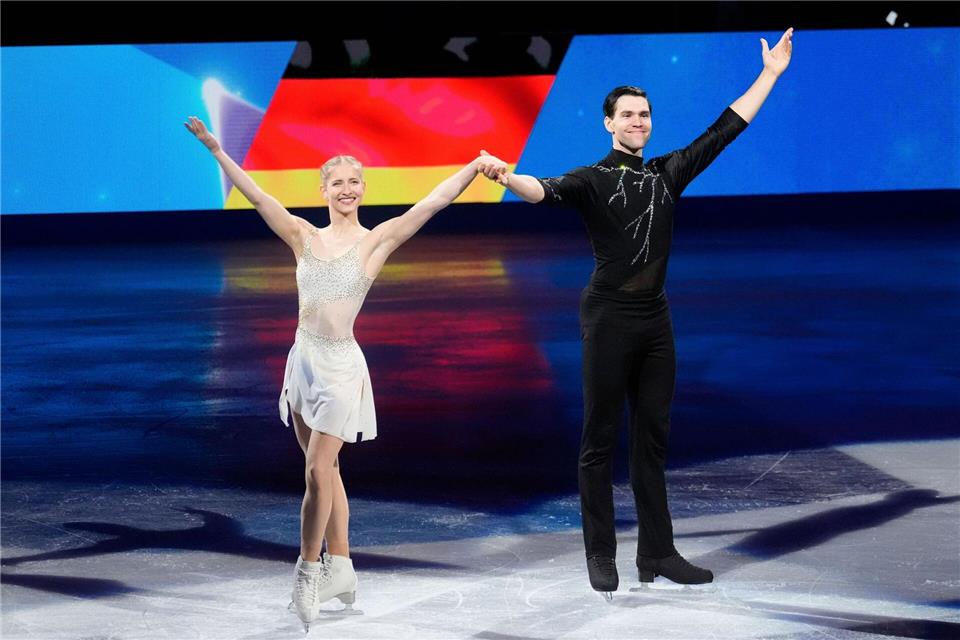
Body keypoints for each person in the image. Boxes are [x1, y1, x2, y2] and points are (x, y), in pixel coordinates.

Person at [477, 28, 794, 597]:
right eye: (627, 114)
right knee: (599, 439)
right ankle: (601, 553)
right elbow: (541, 189)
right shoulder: (592, 180)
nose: (638, 122)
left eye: (644, 114)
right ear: (609, 123)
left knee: (652, 440)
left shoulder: (667, 174)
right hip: (608, 318)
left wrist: (769, 74)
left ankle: (657, 552)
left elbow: (725, 129)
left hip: (655, 321)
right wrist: (506, 176)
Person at [184, 117, 484, 626]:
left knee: (318, 470)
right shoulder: (302, 235)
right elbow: (256, 196)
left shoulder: (376, 241)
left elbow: (432, 203)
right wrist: (216, 149)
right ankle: (341, 566)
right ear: (323, 190)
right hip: (303, 361)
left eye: (354, 181)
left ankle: (307, 570)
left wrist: (473, 167)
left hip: (342, 367)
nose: (347, 189)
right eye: (337, 182)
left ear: (364, 189)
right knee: (328, 472)